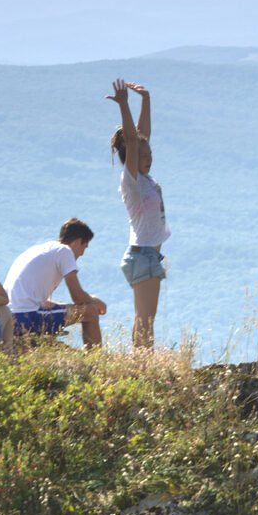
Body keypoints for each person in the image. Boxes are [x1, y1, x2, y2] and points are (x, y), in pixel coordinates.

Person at [109, 79, 168, 349]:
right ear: (130, 157)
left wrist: (146, 99)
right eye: (143, 155)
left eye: (151, 154)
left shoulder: (143, 178)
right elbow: (134, 141)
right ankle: (144, 365)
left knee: (143, 319)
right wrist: (124, 105)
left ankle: (141, 363)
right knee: (146, 321)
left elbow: (141, 136)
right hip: (142, 256)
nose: (149, 157)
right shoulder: (130, 180)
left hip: (146, 255)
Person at [0, 218, 108, 351]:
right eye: (84, 247)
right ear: (77, 242)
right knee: (90, 311)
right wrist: (95, 301)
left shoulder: (38, 250)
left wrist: (61, 306)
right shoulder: (65, 252)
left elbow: (35, 300)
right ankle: (95, 358)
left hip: (6, 318)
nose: (82, 253)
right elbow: (78, 297)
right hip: (26, 318)